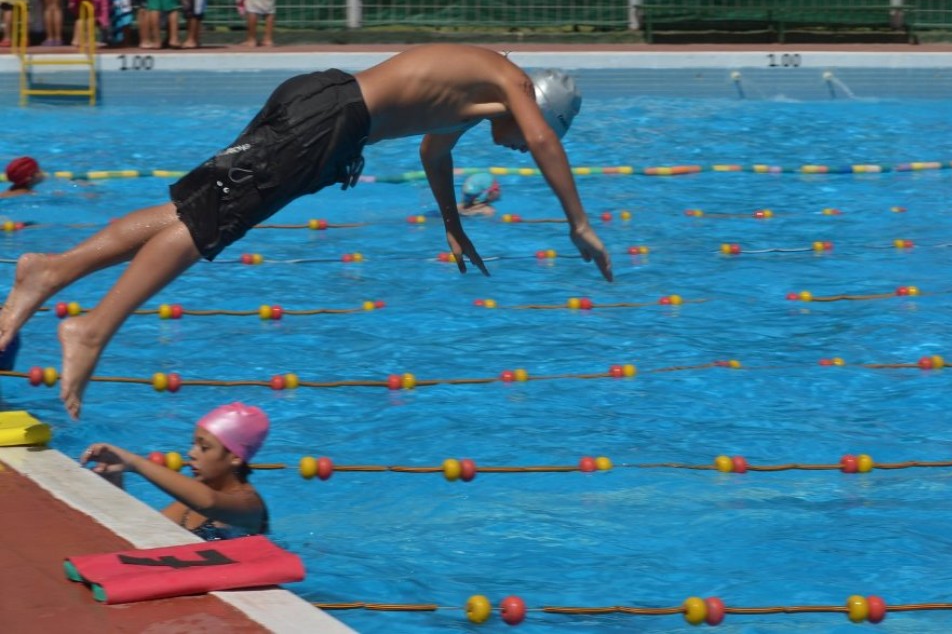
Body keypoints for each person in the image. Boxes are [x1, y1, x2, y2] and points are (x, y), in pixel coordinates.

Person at [0, 44, 613, 420]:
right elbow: (535, 139)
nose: (525, 146)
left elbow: (434, 151)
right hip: (330, 122)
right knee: (203, 226)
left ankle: (50, 271)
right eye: (548, 130)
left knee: (196, 207)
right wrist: (578, 223)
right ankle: (92, 330)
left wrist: (453, 226)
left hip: (324, 102)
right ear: (542, 108)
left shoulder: (477, 87)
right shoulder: (508, 84)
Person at [81, 402, 270, 541]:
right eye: (193, 444)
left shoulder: (250, 505)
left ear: (235, 457)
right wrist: (115, 479)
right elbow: (140, 530)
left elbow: (208, 502)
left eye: (204, 448)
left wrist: (134, 463)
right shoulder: (192, 497)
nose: (191, 453)